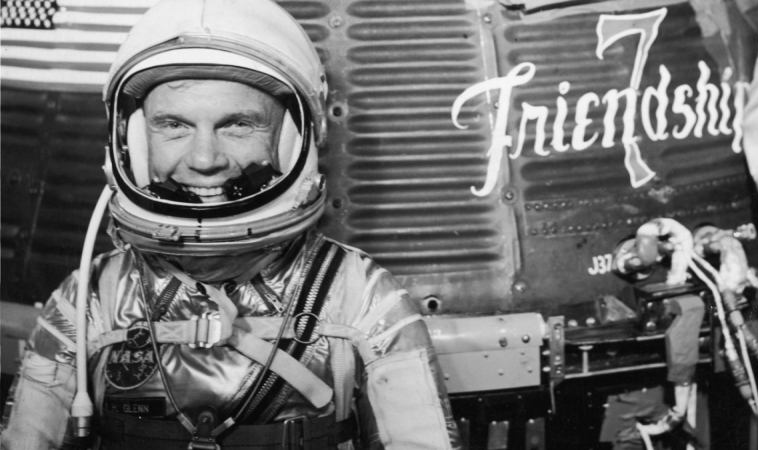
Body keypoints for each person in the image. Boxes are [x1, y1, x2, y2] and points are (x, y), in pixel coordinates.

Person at [0, 0, 461, 448]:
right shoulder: (92, 299)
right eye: (173, 125)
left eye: (238, 124)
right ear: (134, 143)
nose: (205, 160)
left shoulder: (361, 298)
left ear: (291, 141)